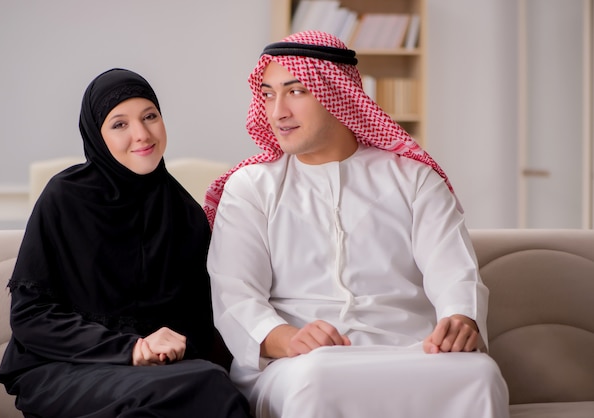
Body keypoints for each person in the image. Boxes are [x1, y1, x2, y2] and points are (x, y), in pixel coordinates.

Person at [204, 31, 510, 418]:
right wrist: (288, 339)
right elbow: (235, 294)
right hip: (298, 363)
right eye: (268, 94)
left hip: (411, 352)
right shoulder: (251, 187)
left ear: (339, 94)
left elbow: (453, 270)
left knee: (480, 376)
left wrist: (460, 319)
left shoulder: (413, 178)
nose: (278, 111)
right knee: (317, 379)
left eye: (296, 91)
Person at [0, 68, 251, 418]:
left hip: (154, 376)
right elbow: (30, 317)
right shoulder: (65, 199)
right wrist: (133, 348)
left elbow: (201, 321)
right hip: (60, 369)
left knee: (205, 385)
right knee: (203, 389)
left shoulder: (184, 214)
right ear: (97, 135)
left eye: (150, 116)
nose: (142, 134)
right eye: (120, 124)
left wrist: (168, 350)